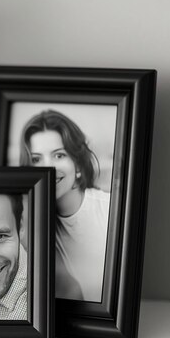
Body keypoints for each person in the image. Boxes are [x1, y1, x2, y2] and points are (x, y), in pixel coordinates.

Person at [20, 109, 109, 302]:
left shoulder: (110, 210)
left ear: (77, 164)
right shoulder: (33, 223)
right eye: (36, 159)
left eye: (59, 155)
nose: (48, 168)